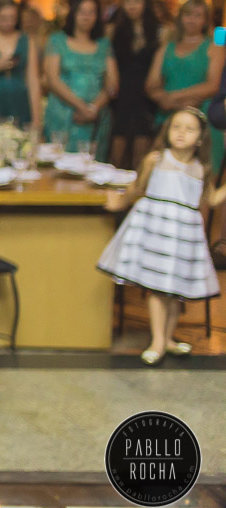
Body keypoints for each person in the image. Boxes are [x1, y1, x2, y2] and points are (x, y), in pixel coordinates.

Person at [100, 108, 222, 364]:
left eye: (189, 129)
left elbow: (211, 199)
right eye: (176, 127)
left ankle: (166, 339)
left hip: (183, 235)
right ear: (167, 132)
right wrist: (119, 203)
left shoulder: (202, 169)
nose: (181, 133)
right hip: (156, 230)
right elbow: (137, 188)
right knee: (157, 288)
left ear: (200, 138)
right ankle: (157, 341)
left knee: (174, 291)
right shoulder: (155, 159)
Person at [145, 0, 225, 173]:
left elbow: (213, 85)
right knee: (161, 171)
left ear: (205, 20)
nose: (192, 20)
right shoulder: (167, 47)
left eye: (198, 15)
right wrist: (166, 101)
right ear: (181, 17)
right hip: (168, 117)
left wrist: (173, 97)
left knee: (201, 176)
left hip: (201, 120)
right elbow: (151, 84)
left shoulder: (214, 47)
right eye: (188, 14)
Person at [42, 0, 117, 159]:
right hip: (63, 114)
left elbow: (112, 84)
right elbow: (52, 80)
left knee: (91, 168)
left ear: (97, 16)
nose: (86, 16)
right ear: (73, 14)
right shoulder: (57, 40)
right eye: (82, 11)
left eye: (91, 12)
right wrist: (82, 107)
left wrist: (93, 108)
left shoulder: (104, 44)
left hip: (96, 117)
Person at [109, 0, 161, 170]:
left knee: (141, 156)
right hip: (121, 95)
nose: (132, 5)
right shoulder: (114, 30)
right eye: (127, 0)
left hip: (146, 96)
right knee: (117, 155)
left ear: (145, 2)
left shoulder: (159, 32)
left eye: (136, 0)